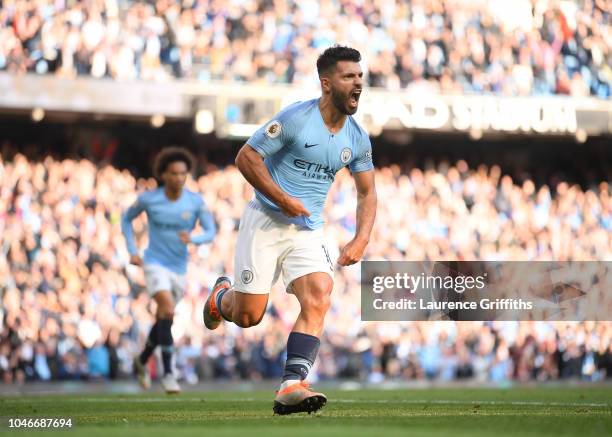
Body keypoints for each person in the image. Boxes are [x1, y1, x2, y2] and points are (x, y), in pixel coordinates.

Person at [203, 45, 377, 414]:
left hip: (308, 228)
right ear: (327, 83)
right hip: (266, 220)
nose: (358, 83)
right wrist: (282, 199)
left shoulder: (357, 138)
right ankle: (221, 296)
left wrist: (361, 237)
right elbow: (246, 158)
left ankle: (291, 383)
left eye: (360, 76)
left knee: (320, 292)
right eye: (349, 76)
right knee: (249, 317)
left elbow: (367, 191)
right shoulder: (296, 119)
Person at [122, 147, 216, 394]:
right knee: (166, 309)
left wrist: (193, 239)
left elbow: (210, 231)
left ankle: (142, 360)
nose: (179, 178)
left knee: (165, 318)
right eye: (174, 173)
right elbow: (126, 219)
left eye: (183, 173)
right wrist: (132, 249)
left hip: (179, 267)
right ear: (163, 174)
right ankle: (168, 375)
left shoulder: (195, 202)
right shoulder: (149, 199)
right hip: (154, 263)